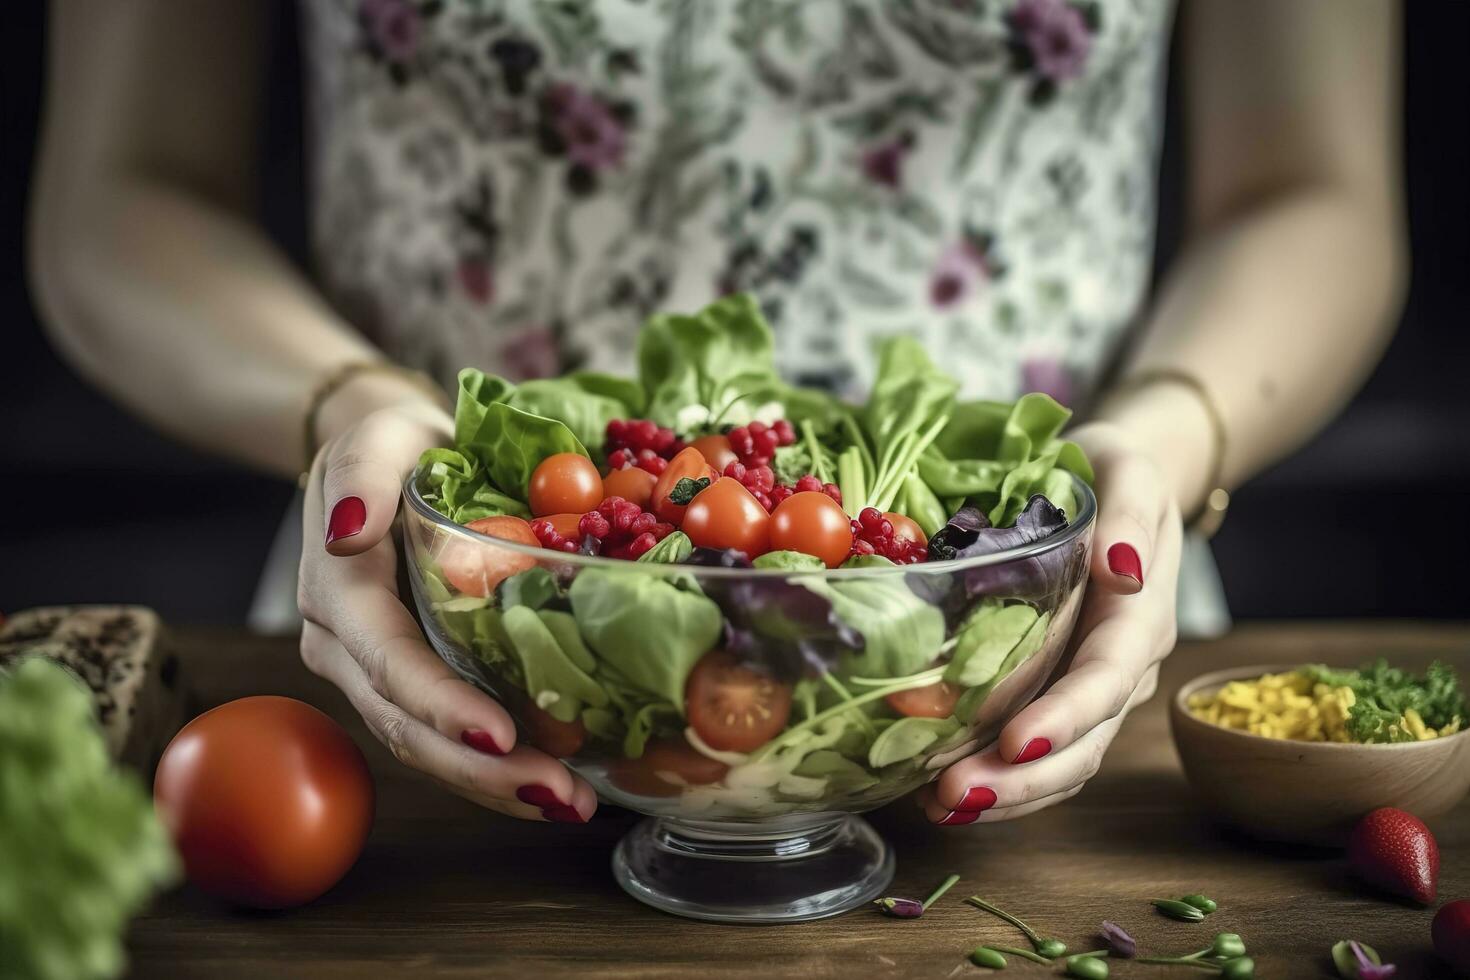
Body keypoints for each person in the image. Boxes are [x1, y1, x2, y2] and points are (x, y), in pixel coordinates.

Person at [30, 0, 1404, 827]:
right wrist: (353, 408)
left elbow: (1317, 199)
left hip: (1041, 607)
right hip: (443, 593)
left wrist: (1162, 440)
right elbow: (121, 197)